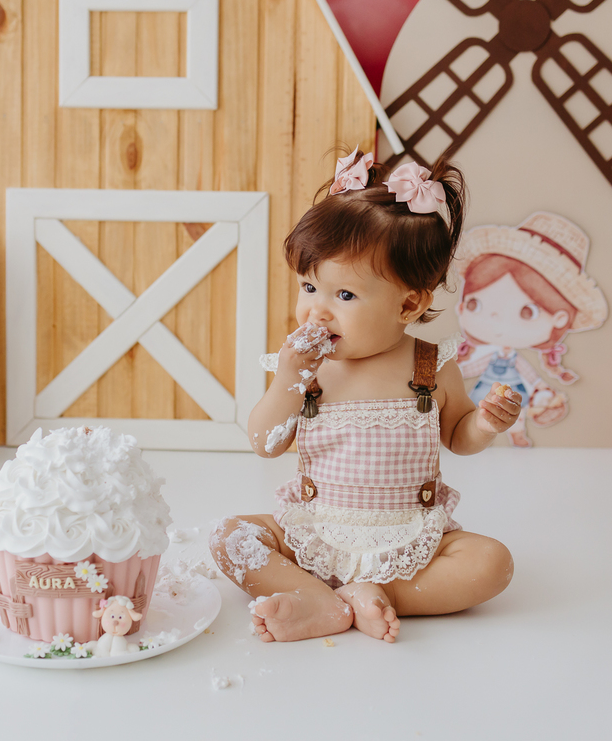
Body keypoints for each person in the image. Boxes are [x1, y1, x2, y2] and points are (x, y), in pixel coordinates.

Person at [209, 148, 521, 643]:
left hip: (408, 538)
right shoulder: (307, 370)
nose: (317, 312)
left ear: (409, 304)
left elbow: (458, 436)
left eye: (345, 296)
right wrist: (289, 379)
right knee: (231, 537)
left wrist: (485, 424)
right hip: (316, 530)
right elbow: (266, 444)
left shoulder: (430, 367)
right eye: (308, 287)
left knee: (491, 563)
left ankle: (379, 592)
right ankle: (315, 596)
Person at [453, 212, 609, 447]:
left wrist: (541, 388)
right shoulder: (489, 353)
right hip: (485, 391)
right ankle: (479, 437)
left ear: (558, 319)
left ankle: (516, 435)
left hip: (513, 392)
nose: (496, 318)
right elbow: (472, 367)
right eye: (476, 304)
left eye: (527, 312)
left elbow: (529, 374)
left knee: (515, 411)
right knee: (480, 412)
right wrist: (452, 375)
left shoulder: (513, 358)